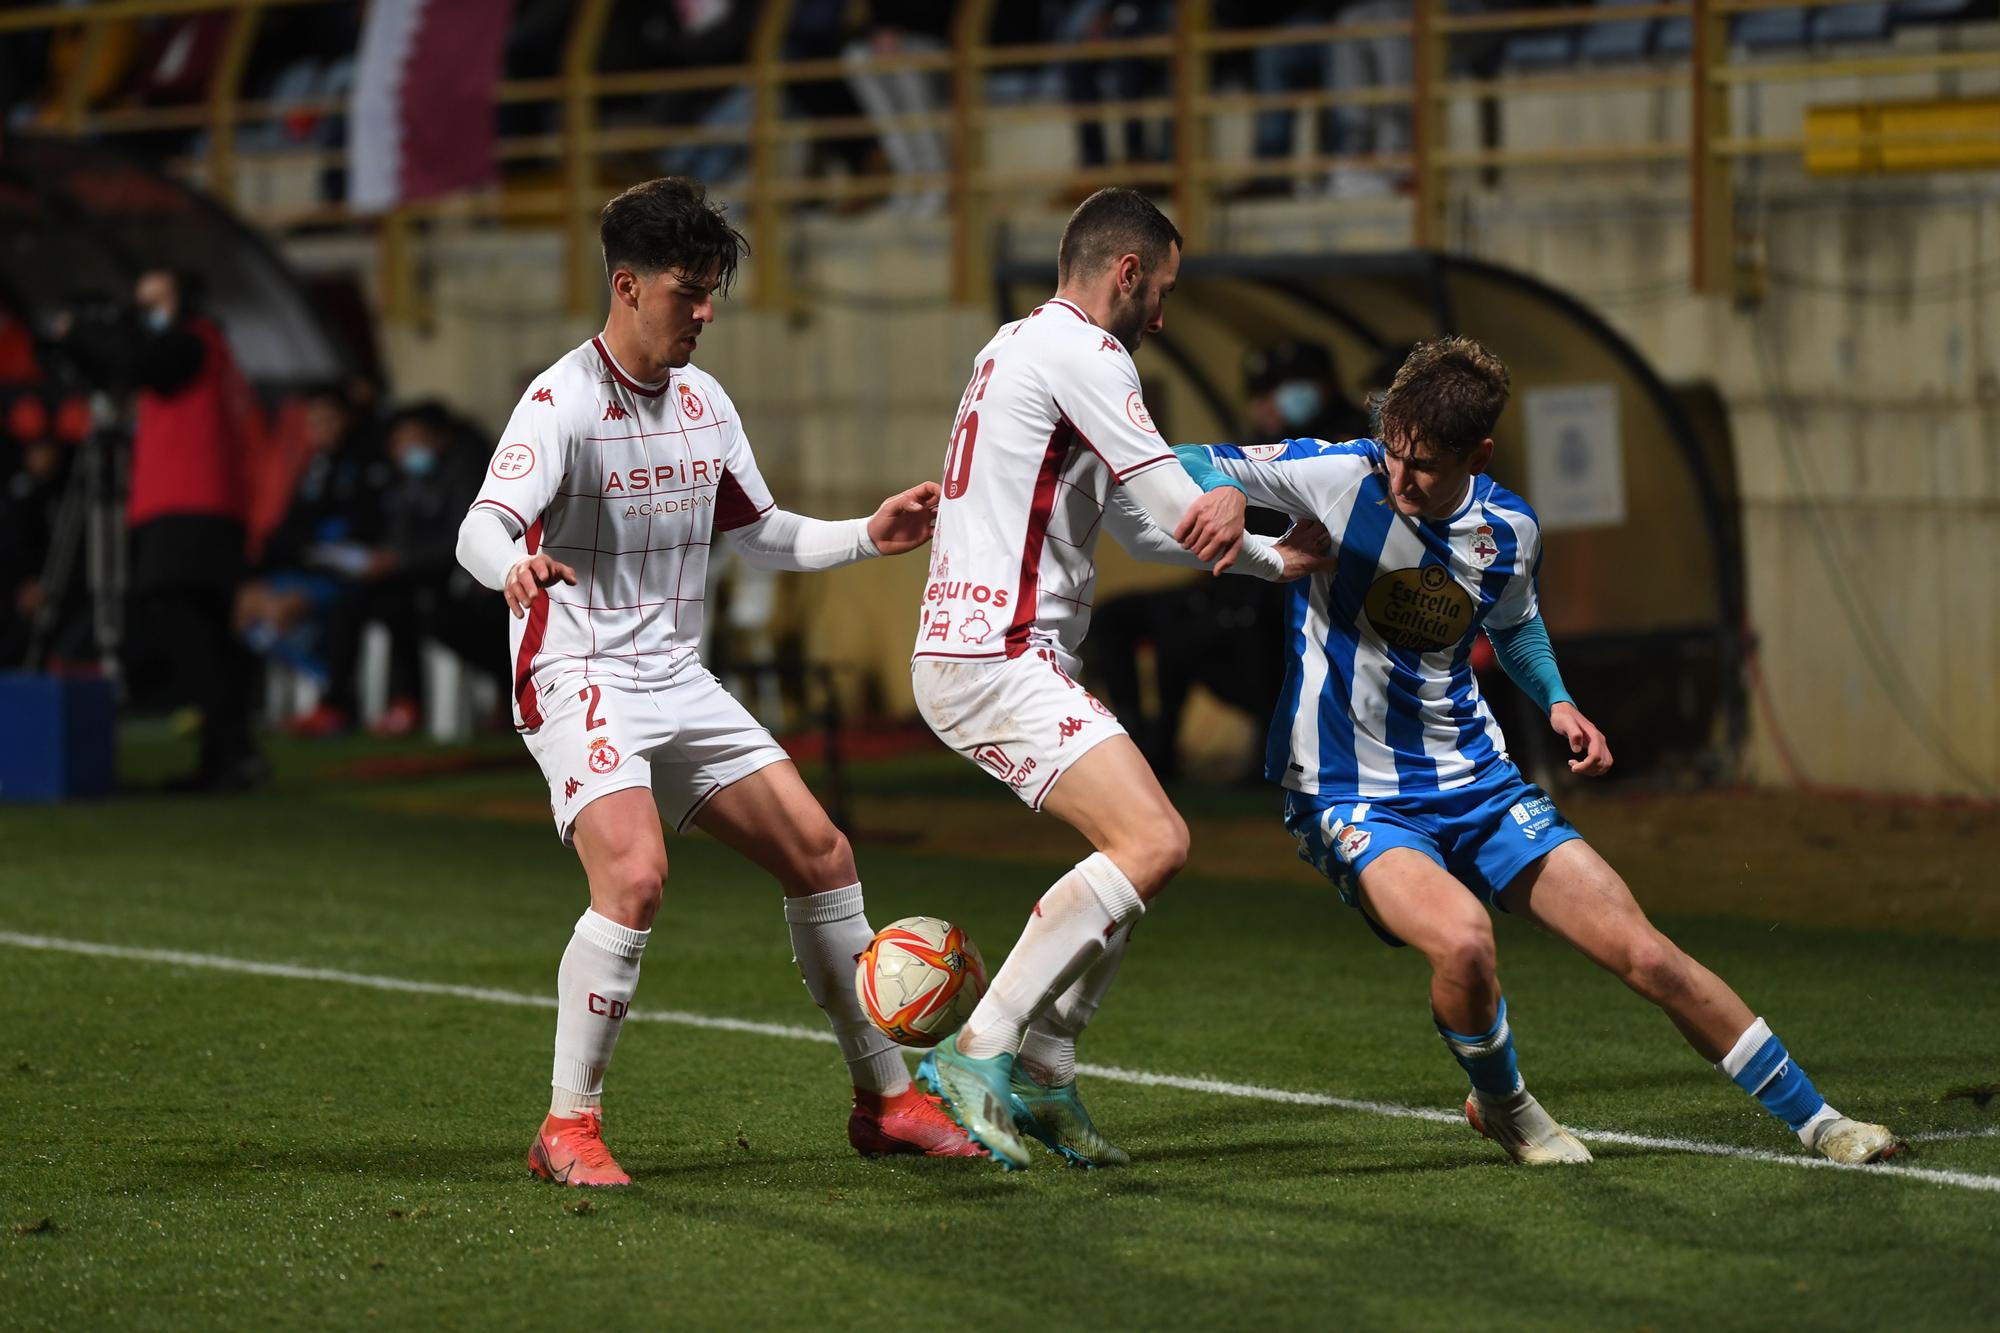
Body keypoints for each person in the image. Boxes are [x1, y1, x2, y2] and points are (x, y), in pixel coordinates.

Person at [1172, 336, 1900, 1167]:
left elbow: (1511, 622)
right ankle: (1508, 1106)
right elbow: (1185, 457)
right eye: (1396, 453)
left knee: (1643, 951)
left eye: (1427, 466)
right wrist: (1227, 491)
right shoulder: (1340, 471)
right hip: (1348, 790)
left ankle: (1823, 1122)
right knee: (1465, 940)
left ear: (1478, 454)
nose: (1402, 478)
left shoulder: (1509, 528)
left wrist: (1556, 698)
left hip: (1477, 780)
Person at [454, 177, 975, 1189]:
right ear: (627, 285)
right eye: (688, 292)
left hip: (675, 677)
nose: (703, 313)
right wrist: (510, 564)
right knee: (636, 877)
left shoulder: (703, 401)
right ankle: (568, 1125)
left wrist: (868, 535)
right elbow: (481, 521)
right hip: (578, 672)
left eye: (711, 294)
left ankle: (885, 1102)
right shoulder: (560, 399)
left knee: (822, 853)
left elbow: (762, 532)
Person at [909, 187, 1328, 1170]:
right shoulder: (1085, 352)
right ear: (1126, 273)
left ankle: (1047, 1075)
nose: (1164, 316)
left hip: (992, 652)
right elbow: (1178, 497)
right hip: (993, 655)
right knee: (1153, 838)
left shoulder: (1013, 346)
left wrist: (1272, 559)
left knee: (1132, 849)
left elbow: (1143, 520)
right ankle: (979, 1051)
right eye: (1164, 290)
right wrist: (1234, 500)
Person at [124, 268, 266, 790]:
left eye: (155, 301)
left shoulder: (191, 343)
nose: (146, 314)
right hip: (209, 505)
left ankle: (231, 749)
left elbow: (142, 365)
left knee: (175, 616)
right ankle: (227, 755)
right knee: (203, 627)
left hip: (186, 504)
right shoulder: (213, 349)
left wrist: (85, 337)